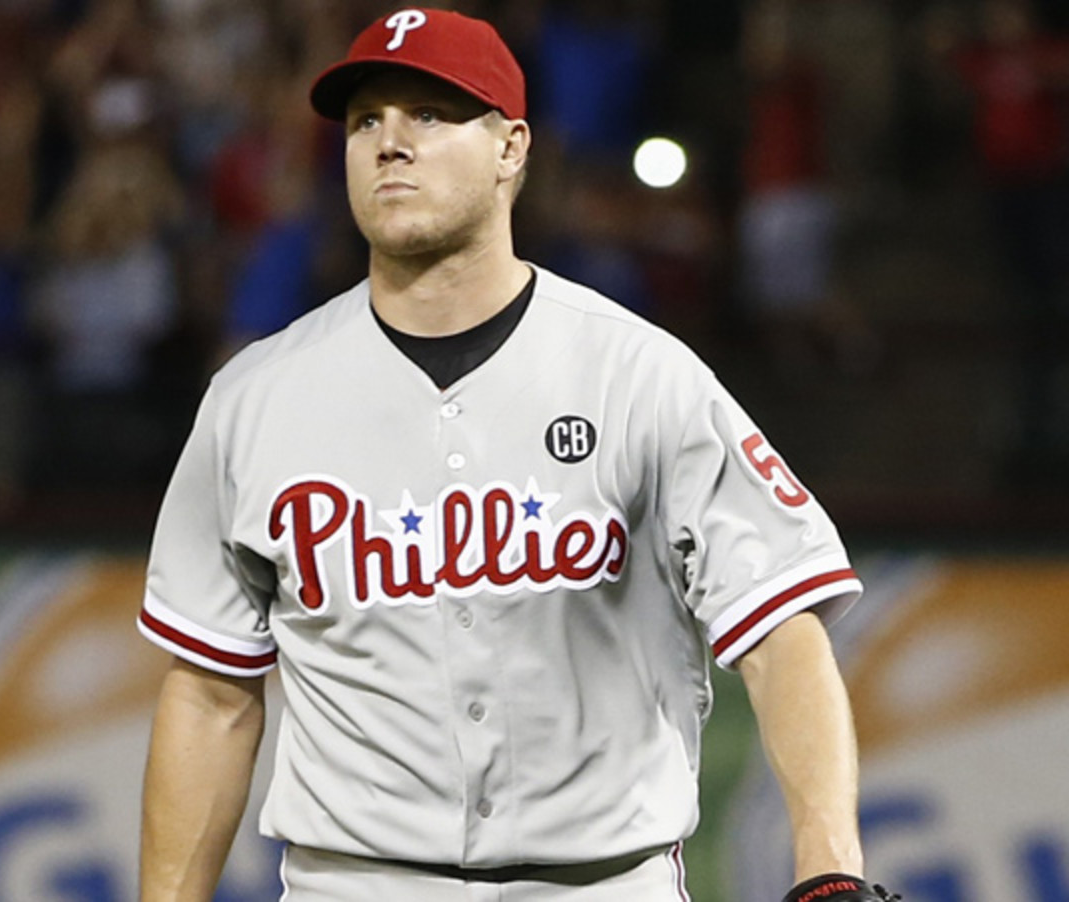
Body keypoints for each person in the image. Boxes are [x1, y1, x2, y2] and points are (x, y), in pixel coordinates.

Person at [137, 9, 898, 902]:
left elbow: (781, 634)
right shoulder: (255, 399)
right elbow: (211, 693)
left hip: (603, 883)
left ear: (511, 150)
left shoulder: (639, 374)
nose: (390, 144)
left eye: (429, 114)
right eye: (365, 121)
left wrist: (830, 866)